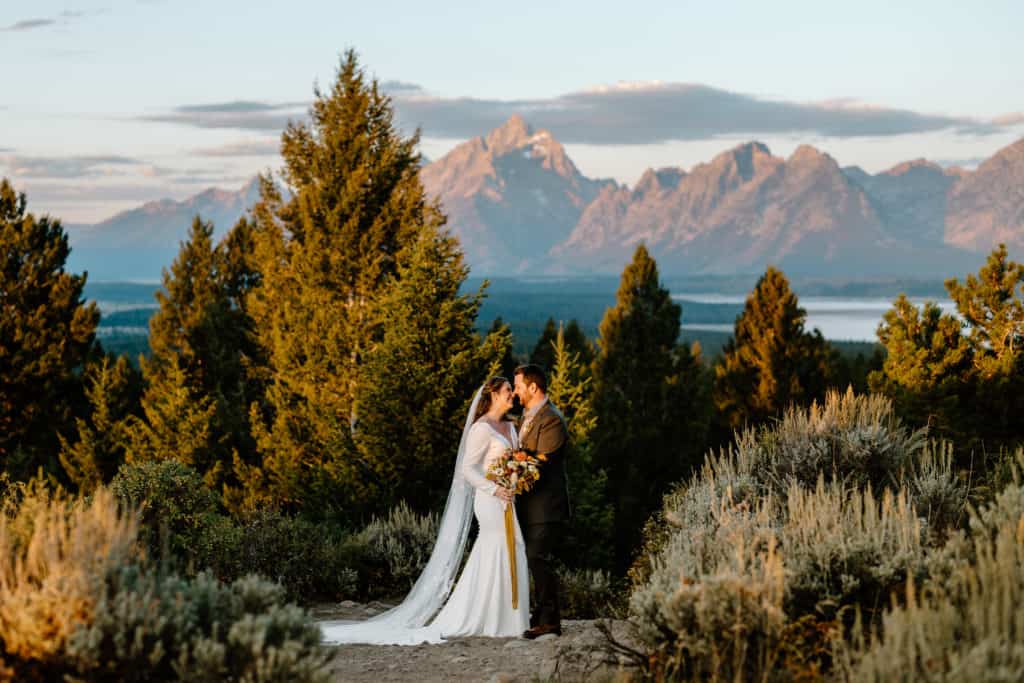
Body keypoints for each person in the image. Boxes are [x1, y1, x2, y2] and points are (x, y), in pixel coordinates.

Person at [320, 377, 529, 644]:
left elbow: (516, 461)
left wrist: (515, 481)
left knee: (511, 547)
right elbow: (468, 469)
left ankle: (505, 616)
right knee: (498, 545)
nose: (512, 394)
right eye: (508, 390)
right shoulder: (481, 428)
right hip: (489, 499)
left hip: (509, 498)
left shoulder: (511, 427)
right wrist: (493, 488)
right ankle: (489, 617)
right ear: (494, 395)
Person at [512, 364, 571, 639]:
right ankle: (537, 615)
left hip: (546, 506)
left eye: (518, 387)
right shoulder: (526, 416)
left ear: (533, 387)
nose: (515, 392)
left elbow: (541, 464)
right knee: (531, 559)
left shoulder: (552, 419)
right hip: (527, 505)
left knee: (538, 558)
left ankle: (550, 621)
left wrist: (513, 469)